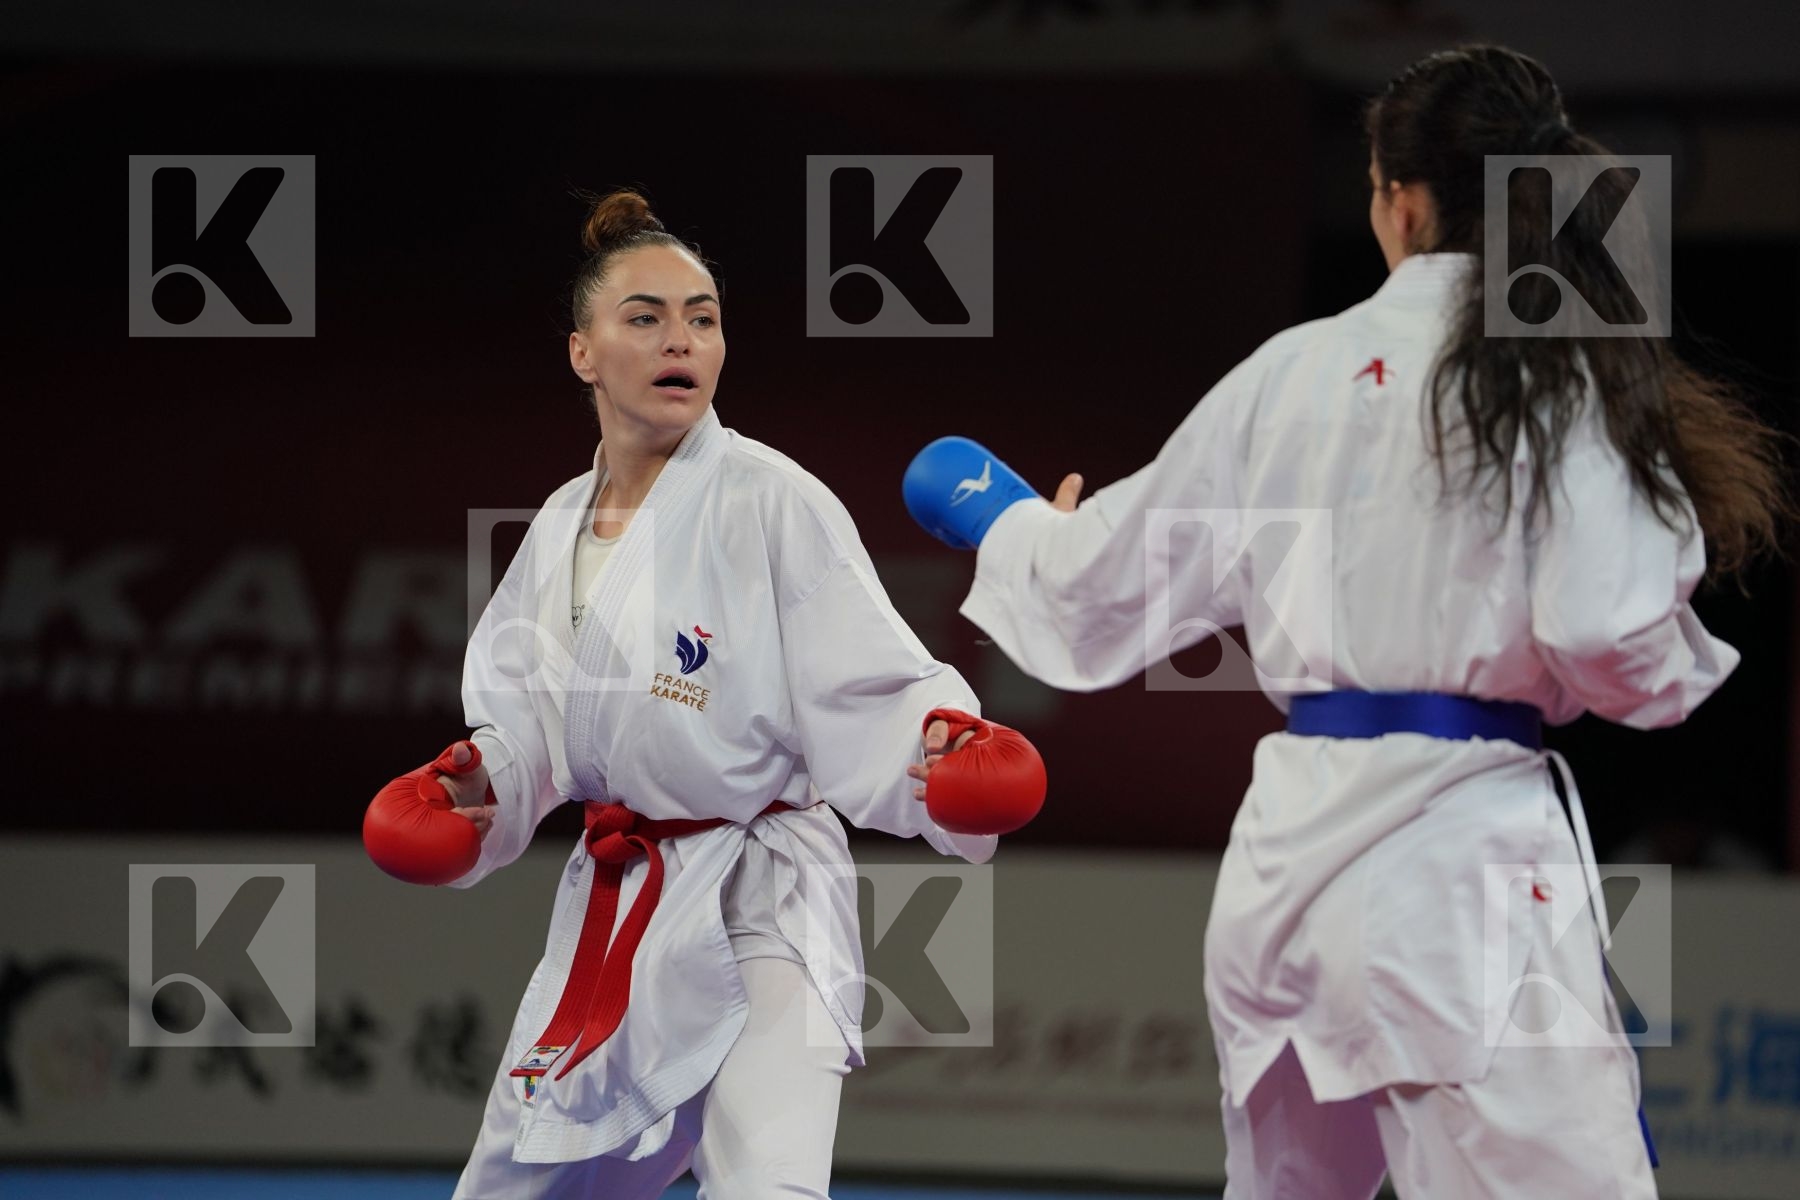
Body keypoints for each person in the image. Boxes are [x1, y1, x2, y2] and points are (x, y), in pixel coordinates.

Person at [903, 45, 1790, 1200]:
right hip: (1458, 874)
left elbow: (1094, 586)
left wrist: (1008, 519)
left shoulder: (1291, 374)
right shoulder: (1561, 376)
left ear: (1400, 200)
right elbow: (1609, 641)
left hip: (1286, 874)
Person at [361, 188, 1044, 1199]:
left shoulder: (772, 499)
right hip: (625, 900)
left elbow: (867, 679)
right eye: (645, 317)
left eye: (704, 319)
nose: (681, 339)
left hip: (768, 896)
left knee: (770, 1186)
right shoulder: (558, 524)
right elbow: (528, 724)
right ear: (583, 351)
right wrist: (477, 784)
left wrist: (938, 746)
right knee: (510, 1190)